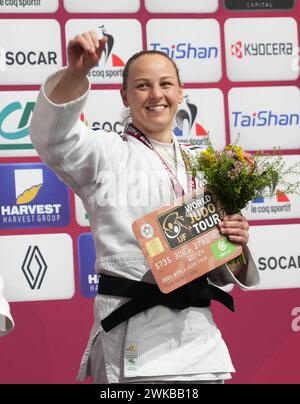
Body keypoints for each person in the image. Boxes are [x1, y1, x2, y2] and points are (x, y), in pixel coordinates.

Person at [29, 31, 259, 384]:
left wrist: (236, 245)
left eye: (166, 84)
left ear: (181, 93)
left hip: (201, 342)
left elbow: (219, 267)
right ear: (124, 95)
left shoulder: (205, 164)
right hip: (134, 336)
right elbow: (53, 137)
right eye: (142, 86)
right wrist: (76, 73)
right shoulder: (106, 153)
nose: (156, 95)